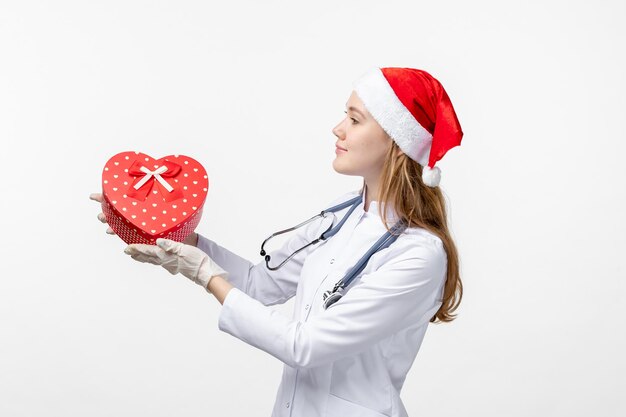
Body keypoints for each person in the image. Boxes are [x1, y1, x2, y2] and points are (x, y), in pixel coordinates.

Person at [90, 66, 464, 417]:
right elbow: (257, 285)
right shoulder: (339, 217)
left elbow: (305, 346)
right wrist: (176, 236)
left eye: (354, 119)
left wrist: (206, 275)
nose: (338, 129)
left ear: (397, 142)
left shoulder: (418, 255)